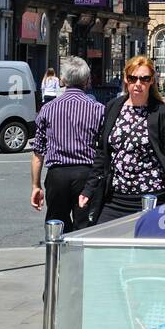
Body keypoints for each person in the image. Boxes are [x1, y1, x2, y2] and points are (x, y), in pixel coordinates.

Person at [79, 55, 165, 224]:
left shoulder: (163, 114)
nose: (138, 84)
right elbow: (102, 153)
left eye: (144, 79)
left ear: (151, 81)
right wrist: (89, 189)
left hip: (151, 197)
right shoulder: (113, 107)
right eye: (133, 78)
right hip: (115, 198)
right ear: (126, 79)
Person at [30, 56, 105, 233]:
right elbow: (104, 150)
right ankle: (82, 260)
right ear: (87, 80)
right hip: (87, 174)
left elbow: (38, 153)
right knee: (85, 226)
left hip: (57, 175)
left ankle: (58, 259)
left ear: (62, 80)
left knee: (57, 225)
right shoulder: (98, 109)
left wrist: (36, 185)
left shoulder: (48, 109)